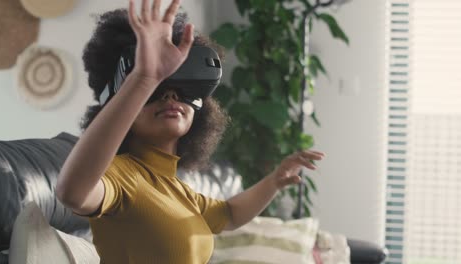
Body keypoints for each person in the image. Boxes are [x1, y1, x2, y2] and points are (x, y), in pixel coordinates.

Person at [56, 0, 325, 263]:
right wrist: (144, 78)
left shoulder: (177, 189)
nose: (171, 95)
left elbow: (230, 214)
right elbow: (73, 193)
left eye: (182, 88)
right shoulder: (122, 176)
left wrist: (275, 180)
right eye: (157, 90)